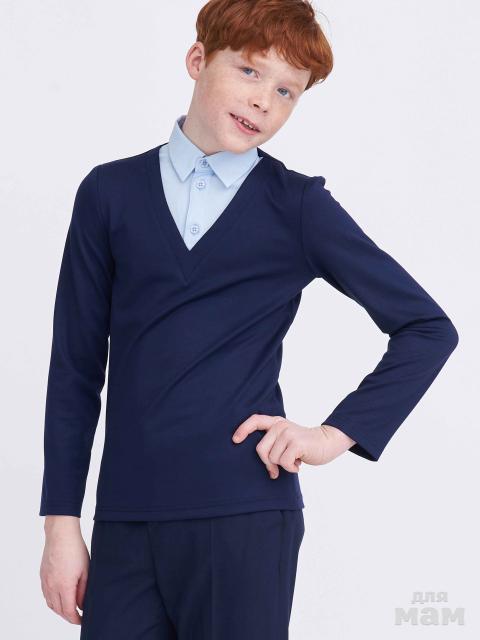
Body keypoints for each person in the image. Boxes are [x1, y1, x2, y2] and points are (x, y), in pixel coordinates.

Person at [38, 1, 459, 638]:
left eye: (287, 91)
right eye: (250, 72)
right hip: (125, 520)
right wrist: (61, 524)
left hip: (245, 516)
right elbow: (75, 369)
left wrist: (333, 435)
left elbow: (427, 328)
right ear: (197, 60)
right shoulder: (109, 193)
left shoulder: (297, 206)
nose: (264, 100)